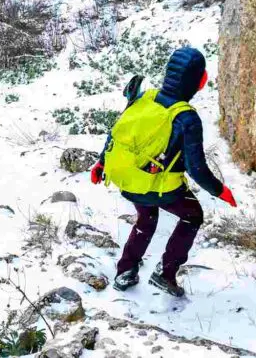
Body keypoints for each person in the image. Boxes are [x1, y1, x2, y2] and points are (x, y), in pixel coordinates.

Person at [89, 46, 236, 297]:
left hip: (128, 179)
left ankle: (126, 271)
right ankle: (166, 273)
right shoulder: (186, 117)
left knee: (146, 219)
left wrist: (101, 162)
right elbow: (196, 168)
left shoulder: (144, 97)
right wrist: (219, 190)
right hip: (159, 186)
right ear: (200, 81)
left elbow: (117, 134)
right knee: (192, 216)